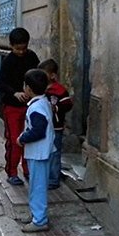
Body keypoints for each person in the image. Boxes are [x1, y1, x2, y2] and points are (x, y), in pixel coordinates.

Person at [0, 27, 40, 186]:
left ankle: (27, 169)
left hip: (30, 106)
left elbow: (38, 77)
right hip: (12, 107)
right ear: (11, 46)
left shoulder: (32, 57)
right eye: (17, 49)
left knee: (29, 139)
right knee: (15, 140)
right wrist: (15, 93)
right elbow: (0, 82)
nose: (21, 52)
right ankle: (12, 171)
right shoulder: (8, 61)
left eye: (24, 48)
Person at [17, 69, 55, 232]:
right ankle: (36, 214)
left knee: (37, 187)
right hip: (40, 152)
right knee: (35, 185)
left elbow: (38, 131)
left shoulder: (37, 108)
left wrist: (22, 138)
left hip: (39, 153)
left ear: (28, 89)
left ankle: (39, 220)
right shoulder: (42, 103)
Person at [38, 59, 74, 190]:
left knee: (54, 153)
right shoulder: (41, 89)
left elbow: (68, 104)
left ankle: (53, 179)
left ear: (52, 75)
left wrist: (56, 108)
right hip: (44, 127)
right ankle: (48, 175)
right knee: (46, 152)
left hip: (56, 127)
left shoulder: (59, 90)